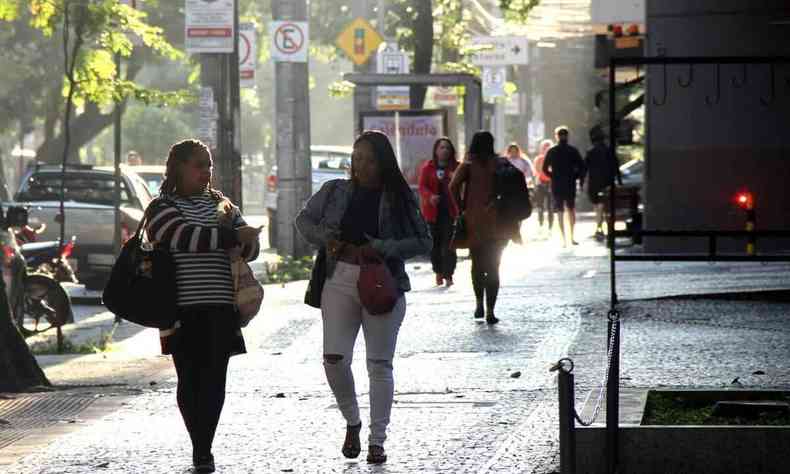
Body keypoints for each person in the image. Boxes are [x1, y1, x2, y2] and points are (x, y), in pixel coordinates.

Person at [295, 130, 431, 465]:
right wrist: (327, 239)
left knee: (379, 364)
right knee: (334, 358)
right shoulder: (335, 191)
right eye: (356, 159)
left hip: (382, 282)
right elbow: (303, 220)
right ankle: (352, 421)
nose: (361, 166)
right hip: (338, 278)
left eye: (369, 160)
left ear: (383, 162)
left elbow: (423, 241)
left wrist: (382, 247)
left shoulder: (399, 196)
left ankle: (377, 440)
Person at [145, 139, 261, 473]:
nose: (205, 171)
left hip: (221, 309)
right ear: (178, 167)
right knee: (190, 380)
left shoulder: (222, 205)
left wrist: (246, 241)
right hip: (180, 311)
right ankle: (200, 444)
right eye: (198, 164)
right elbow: (184, 237)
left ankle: (203, 447)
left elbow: (250, 248)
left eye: (208, 164)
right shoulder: (162, 206)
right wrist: (232, 238)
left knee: (214, 381)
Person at [450, 131, 519, 325]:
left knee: (477, 265)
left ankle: (479, 302)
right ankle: (490, 311)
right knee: (494, 267)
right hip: (499, 222)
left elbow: (452, 186)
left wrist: (462, 207)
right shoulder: (501, 163)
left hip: (475, 222)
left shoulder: (468, 165)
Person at [418, 137, 460, 287]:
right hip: (433, 212)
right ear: (436, 151)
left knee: (449, 244)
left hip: (450, 211)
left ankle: (449, 274)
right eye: (441, 147)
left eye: (447, 148)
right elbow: (422, 186)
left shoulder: (456, 167)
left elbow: (463, 185)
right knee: (435, 244)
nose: (444, 150)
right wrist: (430, 197)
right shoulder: (427, 168)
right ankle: (438, 271)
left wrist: (453, 177)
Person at [542, 126, 586, 247]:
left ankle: (563, 239)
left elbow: (544, 169)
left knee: (560, 210)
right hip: (569, 183)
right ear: (568, 136)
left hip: (557, 184)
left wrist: (553, 176)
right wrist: (576, 176)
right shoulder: (573, 150)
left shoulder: (552, 151)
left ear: (556, 136)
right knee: (571, 209)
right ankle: (572, 237)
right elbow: (582, 166)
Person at [584, 126, 622, 240]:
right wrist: (619, 181)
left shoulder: (590, 152)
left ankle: (599, 227)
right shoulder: (609, 151)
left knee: (597, 205)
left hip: (594, 183)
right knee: (605, 206)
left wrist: (581, 180)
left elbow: (584, 167)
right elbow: (616, 167)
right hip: (607, 182)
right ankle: (603, 227)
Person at [531, 139, 555, 235]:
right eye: (545, 147)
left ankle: (550, 228)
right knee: (540, 206)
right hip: (541, 183)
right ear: (542, 148)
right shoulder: (538, 159)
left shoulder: (554, 158)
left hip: (551, 183)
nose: (546, 149)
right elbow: (536, 171)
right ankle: (540, 225)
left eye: (548, 147)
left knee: (550, 207)